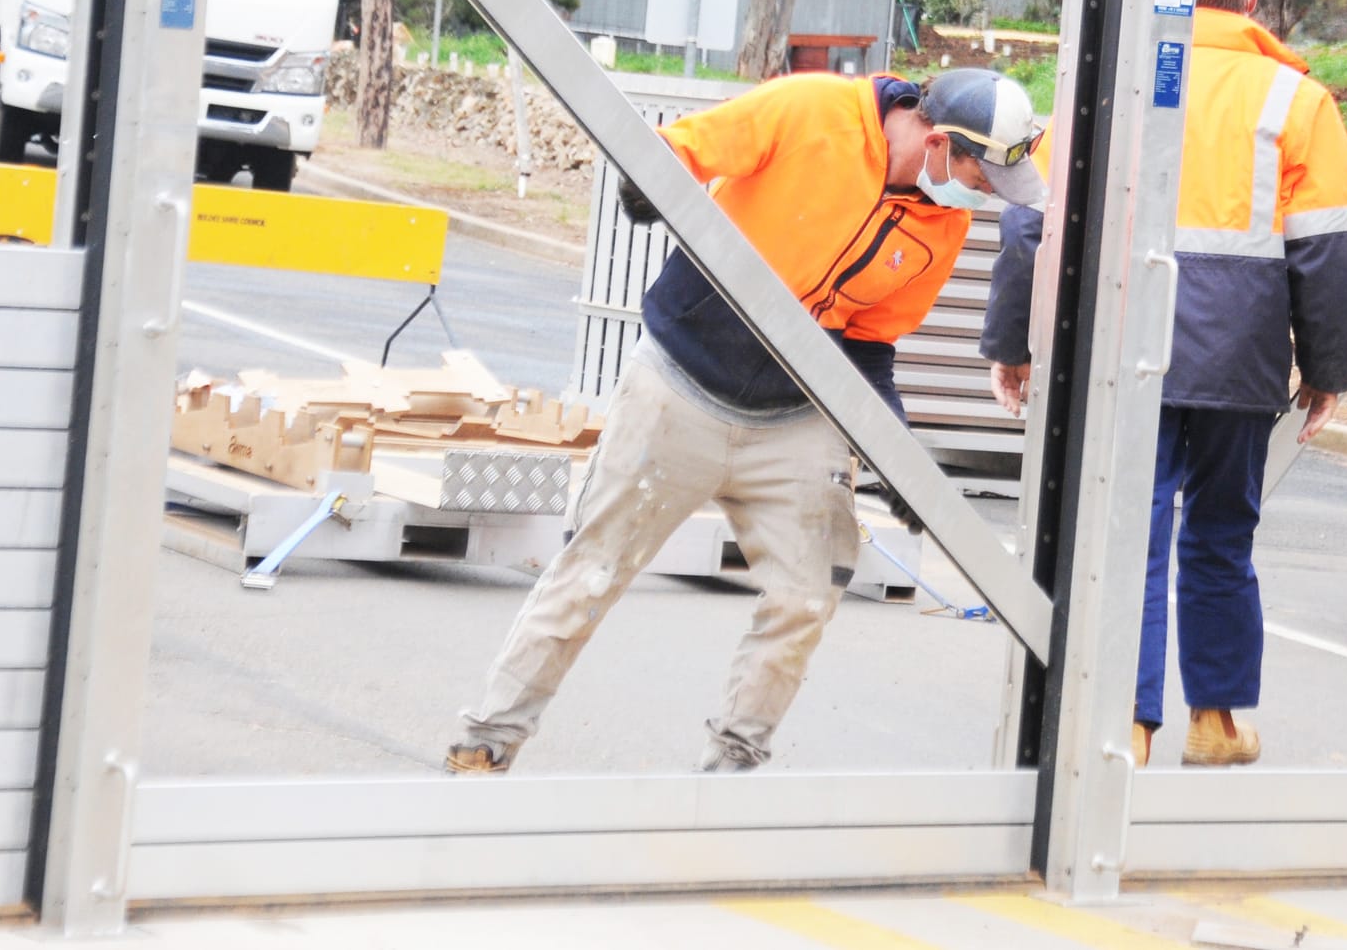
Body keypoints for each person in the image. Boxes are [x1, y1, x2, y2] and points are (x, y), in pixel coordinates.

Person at [446, 65, 1047, 775]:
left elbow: (870, 348)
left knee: (806, 596)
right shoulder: (812, 110)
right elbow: (685, 147)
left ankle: (732, 767)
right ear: (942, 139)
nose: (977, 199)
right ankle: (488, 739)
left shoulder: (937, 228)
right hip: (678, 386)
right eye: (979, 180)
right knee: (591, 570)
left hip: (796, 418)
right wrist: (653, 180)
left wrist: (898, 456)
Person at [980, 0, 1347, 768]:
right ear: (1251, 2)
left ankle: (1129, 723)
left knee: (1133, 531)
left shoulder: (1107, 88)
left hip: (1126, 343)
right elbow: (1331, 251)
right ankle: (1215, 723)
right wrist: (1329, 367)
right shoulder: (1297, 101)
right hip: (1240, 355)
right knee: (1222, 533)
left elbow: (1028, 228)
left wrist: (1014, 343)